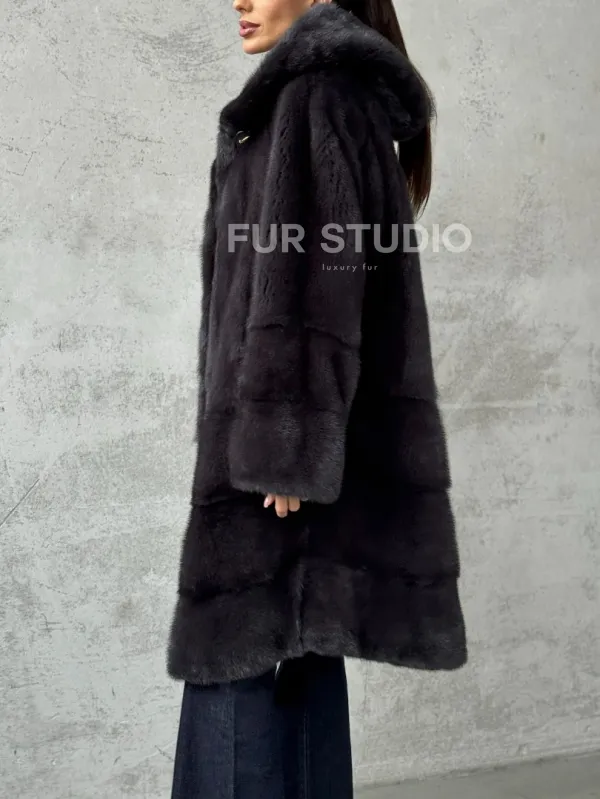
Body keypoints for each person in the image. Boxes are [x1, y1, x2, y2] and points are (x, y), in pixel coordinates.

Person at [167, 0, 468, 796]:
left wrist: (286, 447)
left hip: (278, 451)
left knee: (240, 659)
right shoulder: (325, 96)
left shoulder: (313, 95)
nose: (239, 0)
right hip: (290, 442)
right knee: (295, 655)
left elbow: (313, 281)